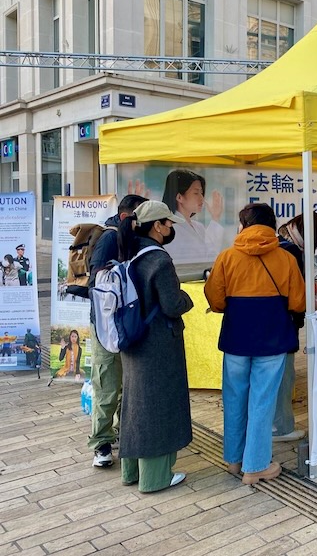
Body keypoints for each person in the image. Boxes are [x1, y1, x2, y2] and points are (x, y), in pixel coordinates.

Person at [205, 203, 306, 484]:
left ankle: (234, 460)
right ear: (271, 225)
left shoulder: (226, 257)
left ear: (243, 225)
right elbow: (298, 302)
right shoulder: (286, 259)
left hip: (236, 338)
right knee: (263, 401)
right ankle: (257, 465)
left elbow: (215, 300)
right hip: (272, 339)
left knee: (234, 399)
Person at [117, 200, 194, 492]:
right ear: (157, 226)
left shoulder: (130, 253)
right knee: (158, 405)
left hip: (132, 340)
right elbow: (172, 304)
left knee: (135, 403)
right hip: (158, 344)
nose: (172, 228)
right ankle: (155, 478)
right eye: (169, 223)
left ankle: (131, 471)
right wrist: (187, 298)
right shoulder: (159, 260)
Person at [273, 212, 317, 442]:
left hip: (268, 324)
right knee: (283, 377)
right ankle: (281, 428)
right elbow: (298, 295)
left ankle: (274, 426)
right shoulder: (292, 251)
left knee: (273, 379)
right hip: (283, 324)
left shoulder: (279, 242)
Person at [88, 194, 148, 468]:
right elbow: (96, 283)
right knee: (107, 384)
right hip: (106, 324)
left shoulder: (132, 238)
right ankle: (101, 444)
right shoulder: (110, 239)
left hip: (127, 321)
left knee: (125, 383)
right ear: (127, 217)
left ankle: (122, 433)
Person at [161, 169, 224, 264]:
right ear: (179, 197)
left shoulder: (198, 227)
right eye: (196, 193)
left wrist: (215, 217)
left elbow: (211, 255)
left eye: (201, 193)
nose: (201, 198)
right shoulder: (170, 230)